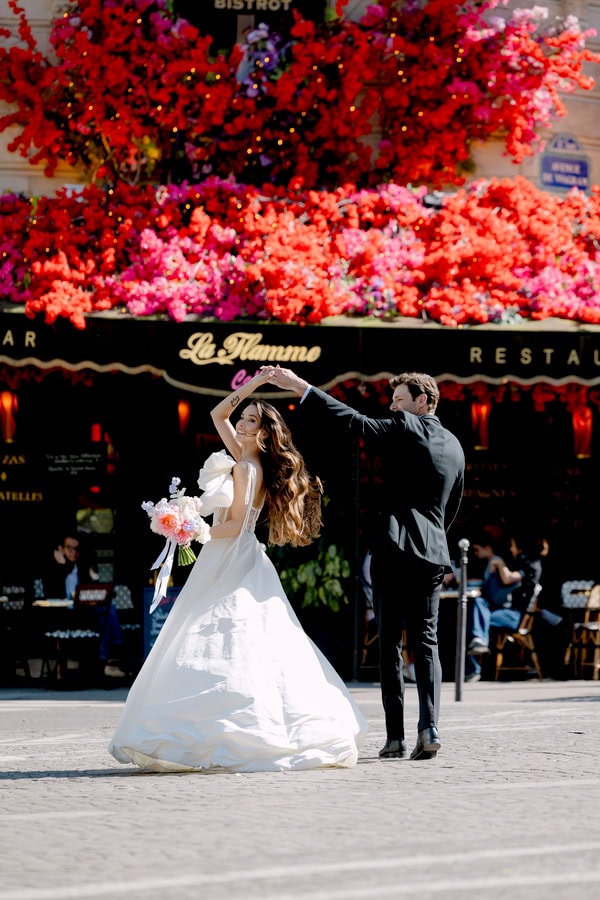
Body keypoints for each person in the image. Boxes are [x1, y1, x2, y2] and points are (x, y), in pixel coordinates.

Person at [108, 370, 367, 772]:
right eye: (242, 418)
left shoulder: (247, 468)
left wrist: (191, 526)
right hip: (227, 553)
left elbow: (239, 522)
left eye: (250, 421)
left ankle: (229, 729)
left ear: (263, 434)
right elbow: (217, 413)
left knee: (224, 632)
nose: (241, 423)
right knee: (227, 633)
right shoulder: (244, 457)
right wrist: (252, 388)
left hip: (231, 552)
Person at [267, 367, 465, 761]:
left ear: (423, 401)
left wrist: (302, 387)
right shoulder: (457, 447)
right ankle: (430, 727)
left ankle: (396, 737)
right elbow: (451, 507)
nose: (392, 408)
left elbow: (354, 422)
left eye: (399, 401)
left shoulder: (408, 426)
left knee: (389, 641)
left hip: (394, 548)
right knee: (426, 642)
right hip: (433, 553)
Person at [466, 532, 545, 682]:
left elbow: (508, 579)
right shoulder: (516, 562)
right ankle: (478, 643)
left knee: (471, 619)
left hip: (516, 615)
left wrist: (499, 563)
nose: (511, 549)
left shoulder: (530, 564)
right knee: (477, 605)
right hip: (502, 610)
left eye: (513, 545)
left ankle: (474, 665)